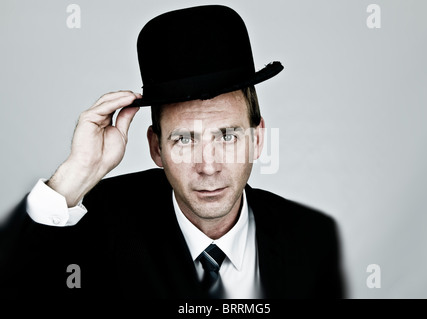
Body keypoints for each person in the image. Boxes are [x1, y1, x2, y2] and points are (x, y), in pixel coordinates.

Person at [0, 5, 345, 299]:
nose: (208, 167)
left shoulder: (312, 239)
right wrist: (76, 175)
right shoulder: (98, 228)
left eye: (227, 136)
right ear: (156, 148)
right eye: (184, 140)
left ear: (257, 140)